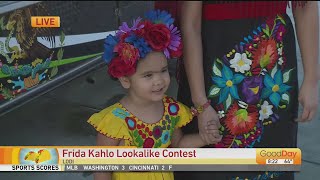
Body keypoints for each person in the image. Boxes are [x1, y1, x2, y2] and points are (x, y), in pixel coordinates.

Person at [156, 1, 319, 179]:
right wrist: (200, 103)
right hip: (213, 75)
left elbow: (305, 5)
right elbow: (190, 25)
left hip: (273, 75)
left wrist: (311, 79)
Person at [87, 10, 222, 180]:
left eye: (163, 71)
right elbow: (102, 167)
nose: (159, 81)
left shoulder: (171, 110)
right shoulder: (114, 121)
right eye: (148, 75)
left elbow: (178, 146)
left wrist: (204, 138)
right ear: (125, 80)